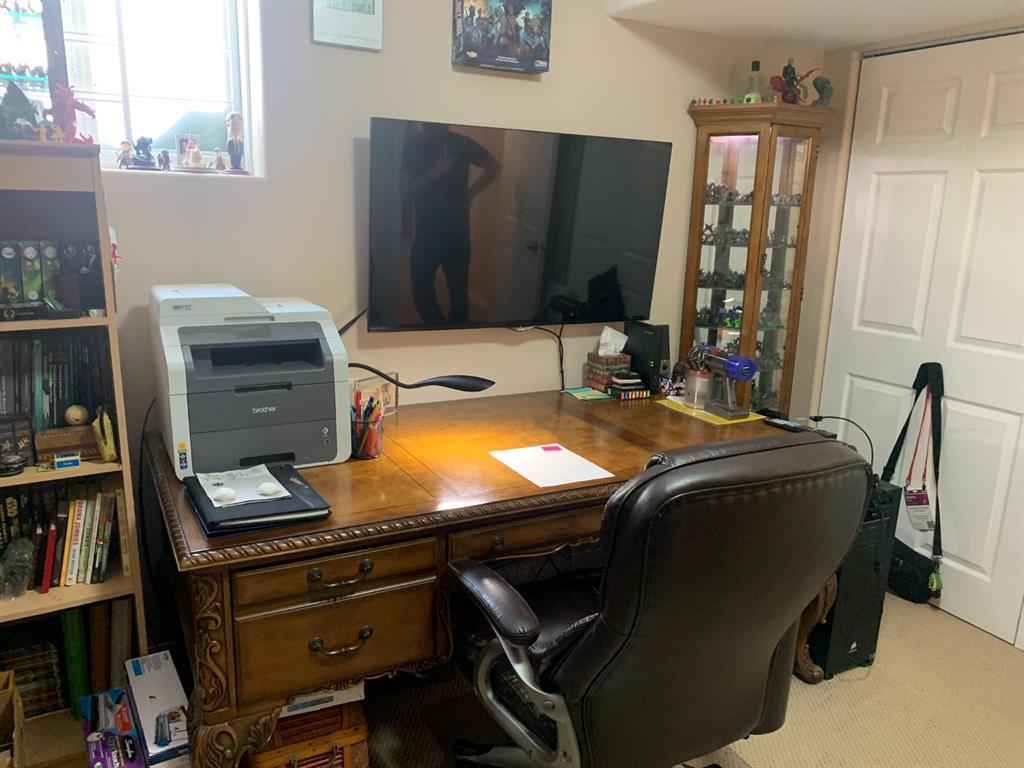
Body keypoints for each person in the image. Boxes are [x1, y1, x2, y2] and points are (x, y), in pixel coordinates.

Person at [401, 123, 500, 326]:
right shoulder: (413, 145)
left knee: (458, 297)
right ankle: (439, 333)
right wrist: (436, 172)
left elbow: (494, 167)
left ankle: (453, 337)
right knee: (421, 295)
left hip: (457, 233)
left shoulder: (462, 143)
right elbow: (406, 192)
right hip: (427, 233)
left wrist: (470, 194)